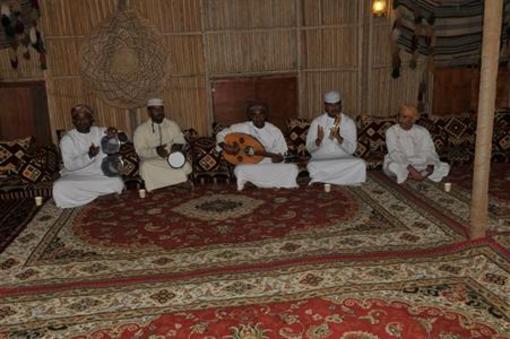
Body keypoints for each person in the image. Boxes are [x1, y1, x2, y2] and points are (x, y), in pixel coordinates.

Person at [52, 104, 125, 208]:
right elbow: (69, 166)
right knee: (59, 187)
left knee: (117, 182)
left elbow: (123, 139)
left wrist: (116, 133)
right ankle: (98, 196)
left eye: (85, 119)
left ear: (91, 120)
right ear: (73, 121)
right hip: (75, 176)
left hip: (98, 174)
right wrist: (89, 156)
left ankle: (88, 197)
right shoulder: (67, 139)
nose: (81, 122)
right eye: (78, 119)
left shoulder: (100, 132)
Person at [216, 103, 299, 191]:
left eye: (261, 114)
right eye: (254, 114)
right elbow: (220, 134)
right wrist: (225, 146)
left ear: (266, 115)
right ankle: (271, 182)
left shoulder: (274, 131)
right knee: (239, 170)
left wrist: (278, 158)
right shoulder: (242, 127)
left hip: (268, 162)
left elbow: (282, 154)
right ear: (249, 116)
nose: (258, 117)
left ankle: (255, 182)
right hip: (249, 163)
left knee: (293, 168)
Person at [305, 91, 366, 186]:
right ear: (325, 106)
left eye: (336, 105)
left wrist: (339, 138)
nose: (334, 108)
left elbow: (352, 150)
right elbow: (309, 148)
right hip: (321, 158)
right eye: (330, 105)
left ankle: (324, 179)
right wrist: (318, 141)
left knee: (360, 163)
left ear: (340, 105)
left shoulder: (348, 122)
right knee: (312, 166)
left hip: (343, 158)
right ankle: (346, 179)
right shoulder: (317, 122)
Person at [133, 98, 192, 192]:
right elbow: (140, 151)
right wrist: (156, 151)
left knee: (186, 166)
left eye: (161, 109)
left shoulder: (172, 125)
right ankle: (179, 182)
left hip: (170, 159)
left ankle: (162, 185)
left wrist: (176, 148)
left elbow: (180, 140)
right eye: (155, 109)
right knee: (146, 166)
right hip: (152, 160)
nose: (159, 112)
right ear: (149, 111)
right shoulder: (141, 130)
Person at [384, 104, 450, 184]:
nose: (401, 120)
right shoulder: (391, 131)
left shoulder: (422, 131)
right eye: (400, 116)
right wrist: (411, 169)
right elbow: (394, 152)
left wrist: (429, 168)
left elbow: (430, 151)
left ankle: (414, 175)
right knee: (392, 166)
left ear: (413, 120)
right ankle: (414, 175)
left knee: (445, 167)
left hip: (420, 162)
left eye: (405, 117)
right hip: (400, 162)